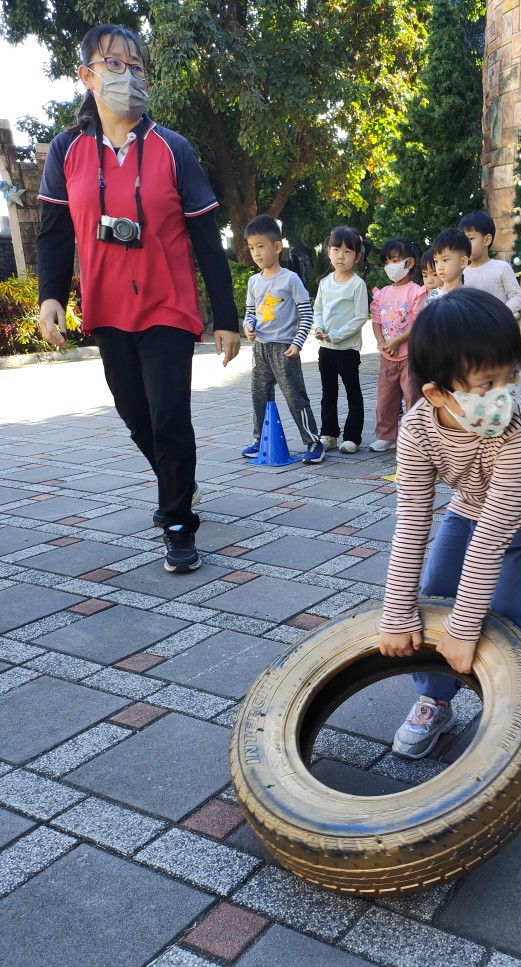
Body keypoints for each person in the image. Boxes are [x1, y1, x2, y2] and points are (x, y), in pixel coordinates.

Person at [37, 23, 240, 574]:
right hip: (107, 307)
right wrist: (51, 297)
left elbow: (206, 238)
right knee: (135, 414)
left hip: (168, 304)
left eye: (136, 66)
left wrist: (225, 317)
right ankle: (180, 480)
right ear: (87, 75)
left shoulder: (174, 148)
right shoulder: (67, 150)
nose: (127, 75)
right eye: (114, 64)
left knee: (169, 414)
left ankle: (177, 523)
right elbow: (53, 233)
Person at [379, 288, 521, 759]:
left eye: (512, 376)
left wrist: (466, 628)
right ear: (436, 393)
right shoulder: (417, 430)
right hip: (471, 502)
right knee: (436, 593)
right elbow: (411, 523)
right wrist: (397, 612)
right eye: (487, 384)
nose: (505, 394)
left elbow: (493, 538)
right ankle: (435, 699)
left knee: (513, 613)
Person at [241, 215, 323, 464]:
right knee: (259, 395)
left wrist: (298, 342)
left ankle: (313, 441)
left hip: (285, 349)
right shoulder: (254, 281)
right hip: (260, 348)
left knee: (295, 396)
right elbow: (250, 312)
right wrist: (248, 326)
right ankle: (261, 439)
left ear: (277, 247)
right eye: (251, 248)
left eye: (261, 246)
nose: (256, 253)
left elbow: (306, 312)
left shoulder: (290, 279)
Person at [314, 226, 369, 454]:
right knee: (328, 393)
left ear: (357, 257)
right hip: (325, 348)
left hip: (347, 349)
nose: (341, 256)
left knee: (352, 392)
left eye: (347, 252)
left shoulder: (357, 284)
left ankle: (352, 437)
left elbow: (360, 317)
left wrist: (336, 335)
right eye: (336, 250)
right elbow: (318, 309)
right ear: (328, 251)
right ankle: (329, 434)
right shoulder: (325, 282)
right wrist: (319, 328)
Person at [369, 238, 427, 452]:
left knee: (413, 397)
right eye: (386, 262)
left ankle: (416, 438)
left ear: (409, 263)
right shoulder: (382, 293)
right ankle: (386, 436)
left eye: (394, 260)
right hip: (387, 356)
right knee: (385, 398)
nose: (389, 266)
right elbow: (376, 320)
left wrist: (397, 341)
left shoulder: (417, 292)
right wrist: (382, 342)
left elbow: (419, 323)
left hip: (410, 356)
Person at [459, 209, 521, 316]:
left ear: (487, 240)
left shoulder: (501, 268)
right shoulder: (461, 271)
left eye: (470, 238)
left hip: (496, 324)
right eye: (462, 240)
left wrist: (501, 314)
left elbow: (517, 296)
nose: (465, 244)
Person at [430, 228, 472, 299]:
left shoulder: (469, 297)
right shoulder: (432, 296)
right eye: (436, 261)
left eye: (445, 260)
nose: (439, 267)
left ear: (463, 262)